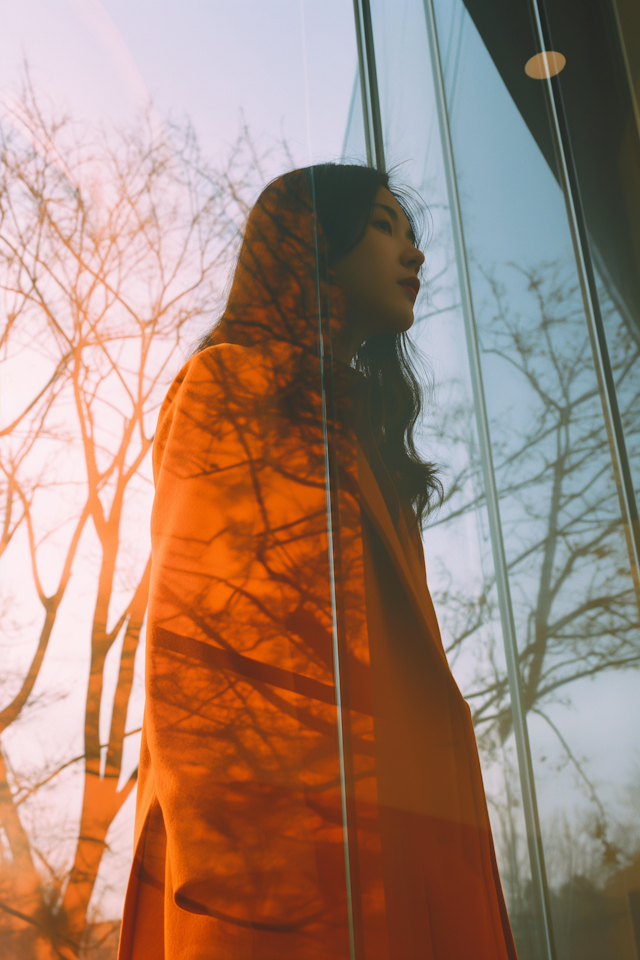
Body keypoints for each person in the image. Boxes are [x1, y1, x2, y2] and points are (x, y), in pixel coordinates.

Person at [117, 163, 518, 960]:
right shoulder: (234, 384)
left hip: (412, 829)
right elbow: (202, 642)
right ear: (312, 242)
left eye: (414, 234)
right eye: (383, 225)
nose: (416, 255)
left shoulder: (362, 441)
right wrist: (242, 864)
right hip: (299, 857)